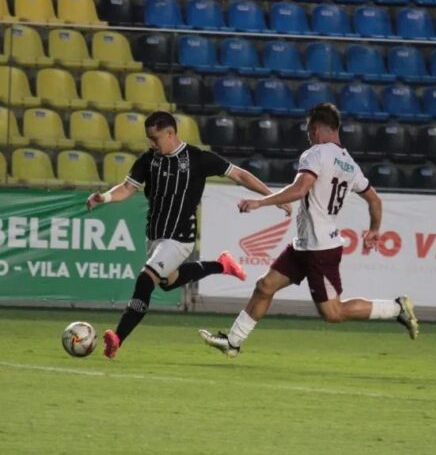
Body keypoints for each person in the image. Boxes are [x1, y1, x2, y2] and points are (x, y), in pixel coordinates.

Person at [199, 103, 418, 357]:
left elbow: (300, 189)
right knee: (264, 286)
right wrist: (375, 230)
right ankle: (233, 342)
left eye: (308, 130)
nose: (308, 136)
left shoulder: (316, 154)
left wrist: (261, 202)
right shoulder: (350, 165)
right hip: (304, 244)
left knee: (332, 313)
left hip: (320, 249)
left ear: (316, 129)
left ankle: (396, 308)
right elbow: (375, 200)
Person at [87, 111, 291, 359]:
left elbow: (239, 174)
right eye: (149, 139)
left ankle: (117, 338)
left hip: (180, 237)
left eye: (156, 138)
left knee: (146, 279)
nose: (152, 143)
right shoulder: (149, 160)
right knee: (167, 280)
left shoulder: (197, 158)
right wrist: (104, 197)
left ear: (170, 133)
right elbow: (128, 188)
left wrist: (271, 198)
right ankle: (221, 265)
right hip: (155, 236)